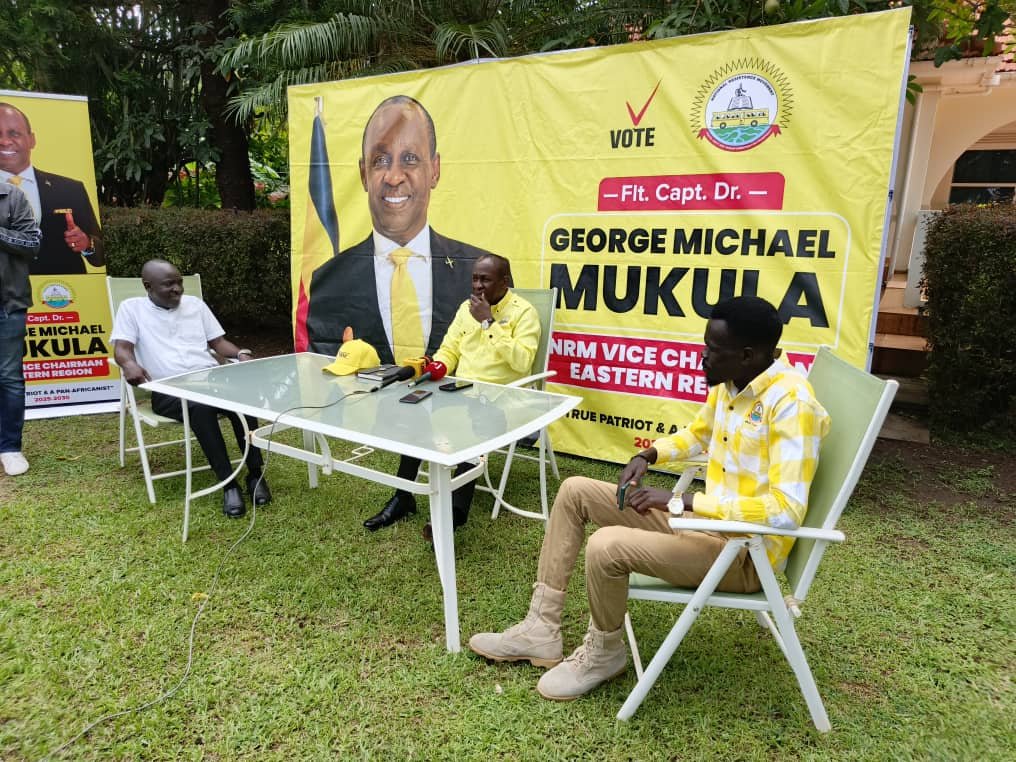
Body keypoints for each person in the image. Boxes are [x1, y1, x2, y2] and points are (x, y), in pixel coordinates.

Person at [469, 296, 831, 702]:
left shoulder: (791, 404)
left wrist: (684, 502)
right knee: (574, 491)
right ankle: (540, 629)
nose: (703, 357)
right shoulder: (735, 382)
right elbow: (698, 434)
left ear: (748, 355)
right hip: (705, 530)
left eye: (713, 350)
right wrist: (649, 455)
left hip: (743, 554)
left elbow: (785, 510)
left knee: (606, 545)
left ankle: (605, 653)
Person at [305, 94, 496, 364]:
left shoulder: (483, 273)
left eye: (410, 158)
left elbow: (502, 366)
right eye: (380, 160)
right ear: (364, 174)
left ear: (435, 170)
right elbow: (322, 375)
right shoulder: (329, 281)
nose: (394, 177)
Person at [363, 253, 541, 536]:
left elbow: (522, 361)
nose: (478, 285)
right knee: (416, 413)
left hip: (502, 398)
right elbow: (449, 350)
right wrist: (437, 367)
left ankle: (452, 515)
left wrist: (488, 323)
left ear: (504, 281)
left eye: (485, 279)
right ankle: (403, 497)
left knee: (472, 428)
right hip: (462, 392)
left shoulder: (524, 313)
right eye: (475, 279)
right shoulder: (465, 309)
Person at [110, 259, 270, 517]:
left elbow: (219, 343)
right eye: (169, 284)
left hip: (209, 380)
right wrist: (129, 365)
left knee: (243, 400)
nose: (177, 289)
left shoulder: (195, 305)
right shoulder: (131, 309)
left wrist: (240, 353)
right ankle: (228, 484)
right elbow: (122, 348)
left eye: (180, 282)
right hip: (170, 390)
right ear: (148, 286)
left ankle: (255, 474)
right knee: (200, 407)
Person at [0, 103, 105, 276]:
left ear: (31, 139)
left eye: (14, 133)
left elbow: (101, 255)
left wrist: (87, 244)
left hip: (61, 290)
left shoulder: (70, 189)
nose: (4, 141)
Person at [0, 180, 41, 475]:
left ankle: (10, 448)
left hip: (8, 304)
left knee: (9, 377)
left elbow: (32, 244)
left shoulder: (11, 195)